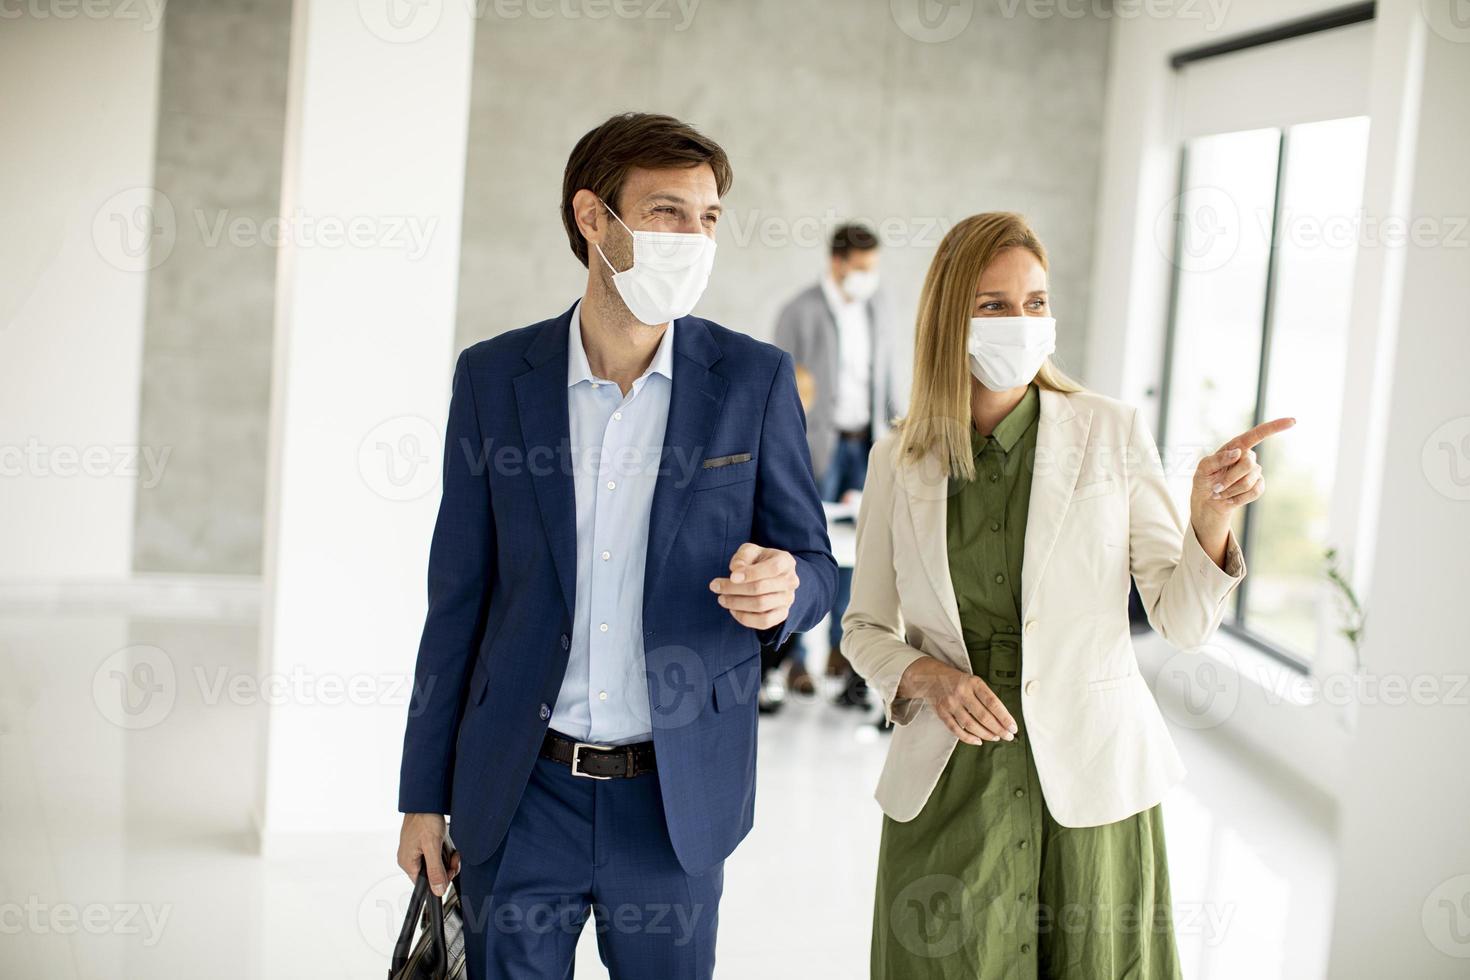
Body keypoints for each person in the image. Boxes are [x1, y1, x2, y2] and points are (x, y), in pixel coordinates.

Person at [395, 112, 836, 980]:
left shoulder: (752, 380)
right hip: (520, 797)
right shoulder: (494, 379)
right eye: (668, 212)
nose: (694, 237)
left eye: (708, 219)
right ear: (594, 219)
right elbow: (456, 601)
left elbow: (816, 565)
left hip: (675, 802)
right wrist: (422, 798)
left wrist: (790, 591)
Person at [842, 211, 1293, 978]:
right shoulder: (899, 457)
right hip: (951, 785)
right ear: (950, 318)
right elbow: (862, 628)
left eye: (1034, 303)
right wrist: (929, 677)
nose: (1021, 323)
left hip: (1095, 784)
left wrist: (1209, 520)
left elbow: (1180, 622)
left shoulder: (1110, 432)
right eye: (993, 306)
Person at [772, 223, 897, 706]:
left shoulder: (877, 306)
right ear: (838, 262)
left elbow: (885, 376)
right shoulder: (800, 311)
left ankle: (847, 660)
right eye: (862, 268)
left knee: (860, 552)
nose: (869, 277)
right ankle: (797, 659)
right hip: (814, 447)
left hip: (865, 443)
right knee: (805, 546)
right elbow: (782, 388)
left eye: (874, 268)